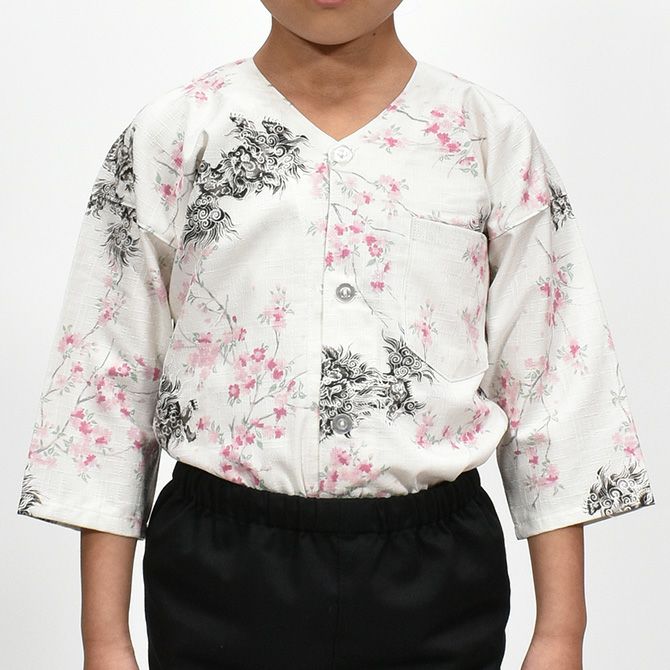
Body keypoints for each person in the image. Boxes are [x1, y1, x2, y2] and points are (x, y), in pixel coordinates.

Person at [17, 1, 655, 669]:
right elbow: (111, 379)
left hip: (435, 575)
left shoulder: (487, 139)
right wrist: (105, 641)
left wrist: (561, 634)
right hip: (219, 574)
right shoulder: (175, 134)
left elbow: (550, 381)